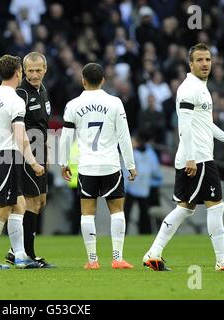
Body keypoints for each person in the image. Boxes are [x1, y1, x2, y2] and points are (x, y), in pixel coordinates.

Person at [142, 43, 224, 272]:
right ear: (190, 64)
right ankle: (223, 261)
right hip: (198, 157)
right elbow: (184, 124)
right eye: (200, 60)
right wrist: (191, 158)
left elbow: (205, 123)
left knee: (185, 208)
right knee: (216, 206)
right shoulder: (189, 88)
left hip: (197, 156)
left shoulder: (201, 87)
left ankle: (153, 254)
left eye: (208, 60)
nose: (205, 64)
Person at [59, 62, 137, 270]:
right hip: (111, 164)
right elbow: (124, 136)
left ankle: (92, 260)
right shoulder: (115, 103)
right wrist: (130, 164)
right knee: (117, 211)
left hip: (87, 167)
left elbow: (66, 136)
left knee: (87, 213)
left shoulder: (73, 105)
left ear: (83, 80)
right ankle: (117, 258)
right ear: (103, 80)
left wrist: (63, 162)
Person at [0, 54, 44, 269]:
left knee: (19, 204)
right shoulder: (15, 100)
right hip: (6, 157)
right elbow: (21, 137)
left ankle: (21, 255)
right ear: (17, 73)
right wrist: (33, 163)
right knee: (1, 210)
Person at [4, 52, 55, 268]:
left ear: (45, 69)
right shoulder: (21, 93)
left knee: (40, 202)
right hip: (27, 153)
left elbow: (44, 125)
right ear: (24, 71)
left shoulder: (42, 90)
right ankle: (27, 253)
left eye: (38, 70)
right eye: (30, 71)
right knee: (31, 202)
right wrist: (31, 156)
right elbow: (15, 127)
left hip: (41, 150)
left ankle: (14, 250)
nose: (34, 75)